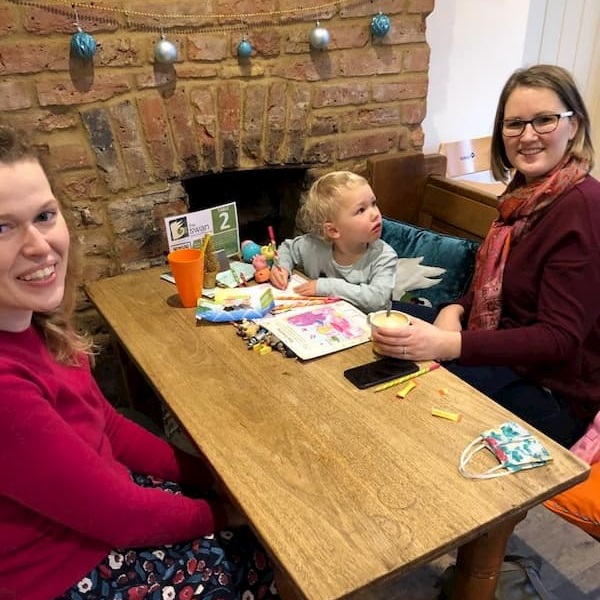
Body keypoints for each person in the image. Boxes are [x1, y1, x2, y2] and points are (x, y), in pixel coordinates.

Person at [0, 123, 279, 600]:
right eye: (2, 227)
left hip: (100, 514)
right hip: (61, 573)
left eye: (45, 216)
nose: (39, 246)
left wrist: (207, 477)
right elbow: (124, 517)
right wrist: (228, 512)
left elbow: (105, 425)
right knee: (259, 555)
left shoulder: (34, 325)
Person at [372, 64, 600, 448]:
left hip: (552, 393)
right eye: (515, 124)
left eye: (544, 120)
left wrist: (449, 344)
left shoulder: (583, 208)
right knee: (380, 321)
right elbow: (494, 281)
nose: (527, 136)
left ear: (574, 125)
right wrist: (456, 310)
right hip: (497, 346)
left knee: (407, 390)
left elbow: (559, 339)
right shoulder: (523, 197)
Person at [269, 170, 397, 313]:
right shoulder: (315, 245)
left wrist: (327, 287)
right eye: (361, 210)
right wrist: (282, 268)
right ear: (333, 231)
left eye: (373, 203)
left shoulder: (384, 256)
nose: (375, 214)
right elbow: (288, 248)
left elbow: (377, 300)